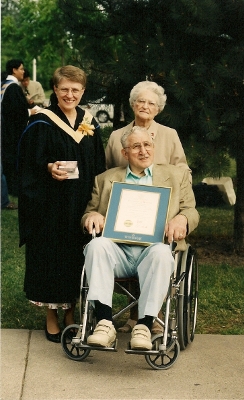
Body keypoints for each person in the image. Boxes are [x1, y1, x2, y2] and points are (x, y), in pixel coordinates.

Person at [82, 126, 199, 350]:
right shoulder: (105, 179)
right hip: (118, 253)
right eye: (136, 146)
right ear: (125, 153)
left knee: (162, 254)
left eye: (147, 145)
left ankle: (144, 326)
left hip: (153, 250)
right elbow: (88, 214)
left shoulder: (176, 176)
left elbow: (191, 211)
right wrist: (93, 215)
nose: (143, 151)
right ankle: (104, 323)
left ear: (153, 147)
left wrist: (182, 219)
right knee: (96, 245)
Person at [18, 65, 106, 343]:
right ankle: (52, 316)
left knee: (75, 259)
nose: (70, 94)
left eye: (75, 90)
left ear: (83, 92)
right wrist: (48, 167)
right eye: (64, 89)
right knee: (50, 258)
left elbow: (99, 165)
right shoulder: (42, 121)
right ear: (55, 89)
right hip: (49, 207)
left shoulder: (89, 123)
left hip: (81, 205)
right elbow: (26, 164)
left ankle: (71, 313)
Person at [105, 81, 191, 333]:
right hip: (128, 212)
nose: (145, 106)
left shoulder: (169, 135)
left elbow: (182, 170)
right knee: (125, 240)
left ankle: (152, 314)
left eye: (151, 103)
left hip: (161, 214)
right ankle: (135, 315)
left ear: (158, 109)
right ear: (132, 104)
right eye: (140, 101)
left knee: (155, 250)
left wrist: (181, 210)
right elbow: (109, 174)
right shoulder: (115, 137)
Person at [1, 59, 36, 196]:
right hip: (11, 131)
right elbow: (14, 111)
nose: (23, 71)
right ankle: (13, 188)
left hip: (5, 128)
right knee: (13, 158)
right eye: (21, 69)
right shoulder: (13, 87)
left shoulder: (4, 84)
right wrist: (29, 112)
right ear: (14, 70)